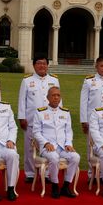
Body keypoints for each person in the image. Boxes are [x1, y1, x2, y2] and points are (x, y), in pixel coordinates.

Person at [32, 86, 79, 199]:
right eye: (53, 95)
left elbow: (68, 131)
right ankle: (55, 186)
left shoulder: (65, 112)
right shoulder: (40, 112)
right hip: (47, 148)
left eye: (58, 95)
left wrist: (68, 144)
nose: (56, 98)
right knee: (53, 157)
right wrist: (46, 143)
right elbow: (36, 132)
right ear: (48, 98)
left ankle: (66, 186)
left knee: (75, 157)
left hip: (62, 147)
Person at [18, 54, 60, 182]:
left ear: (47, 65)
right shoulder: (27, 80)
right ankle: (30, 174)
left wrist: (59, 116)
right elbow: (22, 100)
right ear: (34, 65)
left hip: (48, 121)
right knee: (30, 148)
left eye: (44, 63)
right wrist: (21, 117)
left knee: (48, 146)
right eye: (39, 63)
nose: (42, 66)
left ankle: (46, 174)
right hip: (31, 119)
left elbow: (58, 98)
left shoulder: (54, 80)